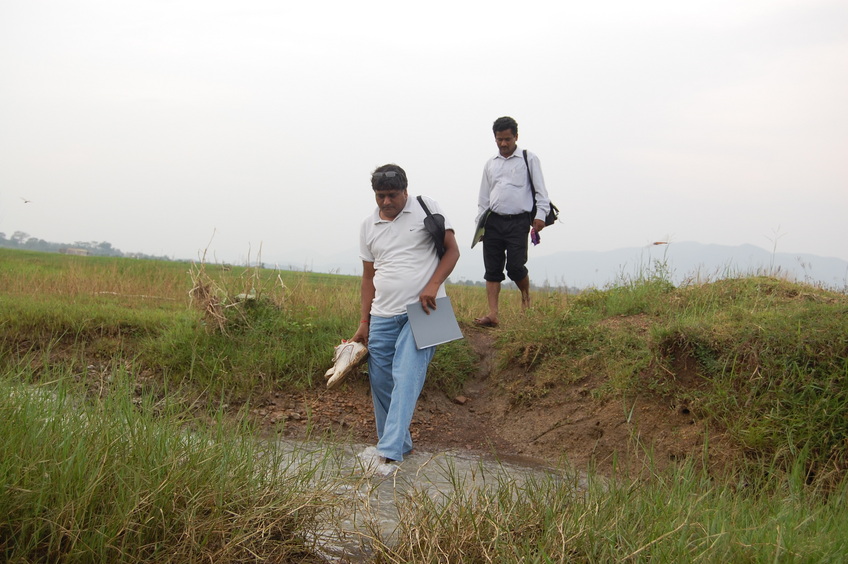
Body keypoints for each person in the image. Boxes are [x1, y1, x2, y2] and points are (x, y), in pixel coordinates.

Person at [350, 163, 460, 466]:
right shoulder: (367, 226)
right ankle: (402, 444)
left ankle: (388, 454)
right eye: (380, 196)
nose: (386, 202)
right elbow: (368, 277)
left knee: (406, 375)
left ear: (405, 191)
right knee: (382, 383)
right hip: (383, 315)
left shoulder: (427, 208)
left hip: (428, 309)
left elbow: (452, 251)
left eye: (392, 195)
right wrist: (364, 322)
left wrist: (433, 285)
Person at [474, 116, 551, 328]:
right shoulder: (490, 164)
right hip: (493, 222)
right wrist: (479, 227)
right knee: (492, 269)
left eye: (507, 139)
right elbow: (483, 199)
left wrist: (540, 216)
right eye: (499, 139)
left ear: (516, 137)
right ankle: (493, 313)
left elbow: (541, 191)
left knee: (516, 266)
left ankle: (526, 297)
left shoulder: (528, 158)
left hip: (518, 222)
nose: (503, 144)